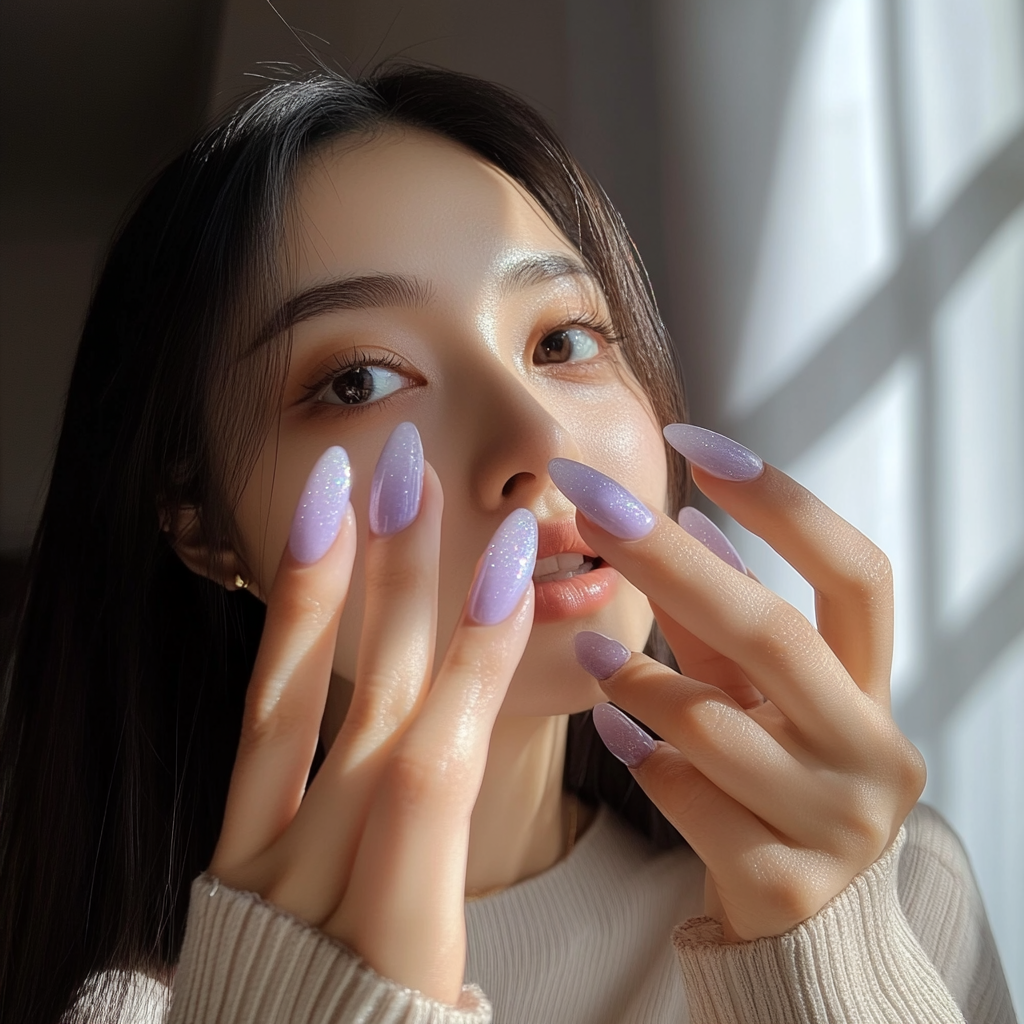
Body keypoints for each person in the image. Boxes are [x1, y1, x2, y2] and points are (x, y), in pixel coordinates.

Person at [0, 64, 1015, 1024]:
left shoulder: (888, 886)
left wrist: (830, 968)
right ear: (201, 520)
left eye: (563, 341)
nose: (534, 439)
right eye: (359, 379)